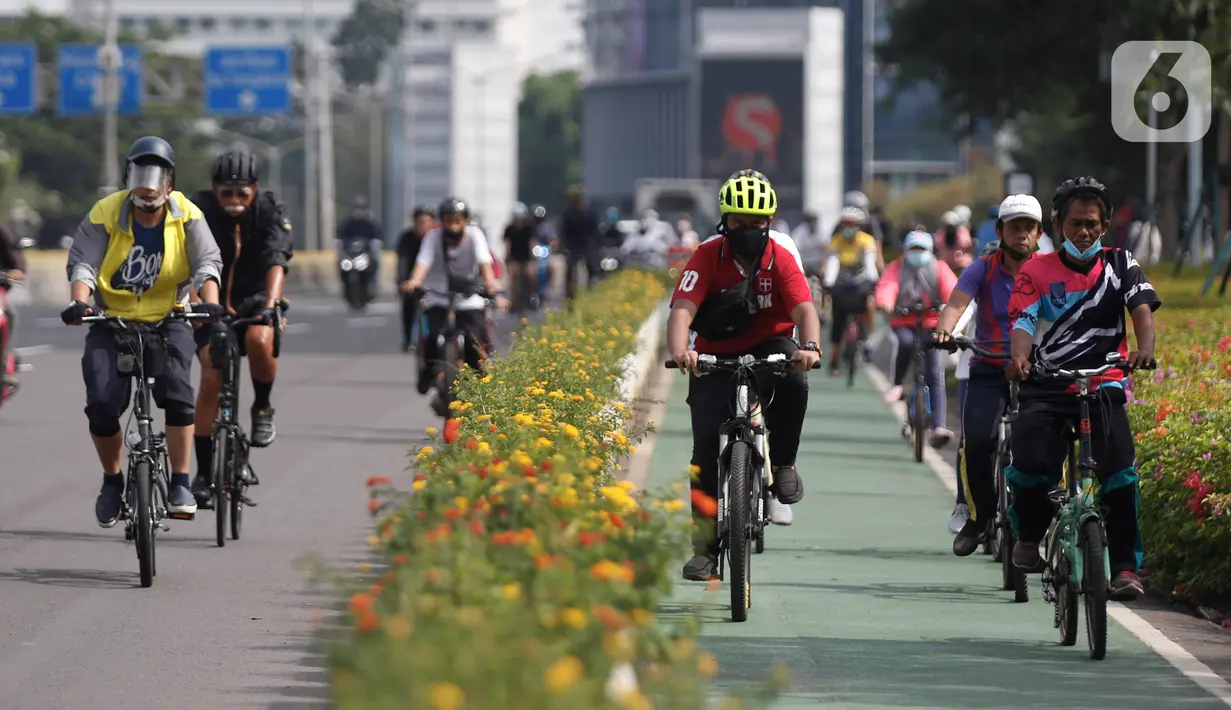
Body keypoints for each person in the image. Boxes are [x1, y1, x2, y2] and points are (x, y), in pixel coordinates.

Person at [1004, 176, 1160, 600]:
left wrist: (1144, 349)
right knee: (1031, 463)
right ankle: (1028, 536)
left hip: (1104, 384)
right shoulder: (1035, 270)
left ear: (1105, 224)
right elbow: (1022, 321)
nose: (1084, 232)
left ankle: (1126, 568)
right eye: (1075, 223)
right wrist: (1020, 357)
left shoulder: (1121, 264)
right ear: (1057, 224)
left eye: (1092, 223)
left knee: (1121, 477)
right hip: (1049, 385)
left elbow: (1141, 309)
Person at [668, 170, 822, 580]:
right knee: (703, 455)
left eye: (757, 224)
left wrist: (810, 347)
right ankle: (703, 551)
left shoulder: (781, 258)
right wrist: (681, 352)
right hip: (713, 356)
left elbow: (805, 311)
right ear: (724, 222)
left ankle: (784, 465)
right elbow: (682, 308)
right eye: (739, 223)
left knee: (794, 380)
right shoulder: (707, 255)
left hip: (770, 348)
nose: (749, 231)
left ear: (769, 223)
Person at [62, 136, 224, 525]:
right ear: (127, 178)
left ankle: (181, 481)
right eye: (139, 175)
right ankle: (112, 480)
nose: (147, 186)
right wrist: (80, 302)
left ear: (170, 182)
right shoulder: (106, 211)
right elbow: (83, 263)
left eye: (156, 177)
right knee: (102, 405)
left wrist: (208, 301)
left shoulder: (186, 213)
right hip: (111, 319)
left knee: (180, 397)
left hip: (169, 317)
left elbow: (206, 263)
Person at [932, 195, 1043, 554]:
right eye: (1015, 227)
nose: (1022, 234)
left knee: (1046, 445)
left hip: (1037, 372)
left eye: (1029, 227)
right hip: (988, 366)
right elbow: (956, 305)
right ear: (1001, 231)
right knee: (977, 443)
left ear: (1039, 233)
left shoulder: (1049, 269)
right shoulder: (982, 268)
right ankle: (979, 519)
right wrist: (944, 332)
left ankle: (1041, 519)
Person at [187, 147, 294, 506]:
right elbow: (182, 258)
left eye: (242, 193)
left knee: (260, 339)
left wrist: (271, 305)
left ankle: (262, 408)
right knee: (212, 380)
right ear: (214, 189)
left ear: (255, 189)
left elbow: (277, 260)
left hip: (254, 298)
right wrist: (197, 302)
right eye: (226, 193)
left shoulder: (268, 210)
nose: (234, 201)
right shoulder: (195, 211)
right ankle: (202, 474)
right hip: (209, 301)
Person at [403, 197, 506, 416]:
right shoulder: (432, 237)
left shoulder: (474, 236)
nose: (453, 226)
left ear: (466, 221)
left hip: (469, 296)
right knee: (432, 336)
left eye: (458, 221)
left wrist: (490, 282)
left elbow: (484, 263)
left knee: (474, 341)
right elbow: (423, 262)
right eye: (448, 221)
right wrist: (415, 282)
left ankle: (478, 380)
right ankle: (429, 372)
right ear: (441, 222)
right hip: (438, 295)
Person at [875, 230, 957, 447]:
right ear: (905, 250)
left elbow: (953, 290)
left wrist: (950, 305)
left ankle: (939, 425)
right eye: (913, 249)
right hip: (904, 321)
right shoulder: (897, 267)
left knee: (934, 372)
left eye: (921, 249)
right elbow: (887, 286)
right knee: (906, 343)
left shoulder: (939, 268)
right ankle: (898, 384)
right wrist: (886, 302)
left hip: (932, 323)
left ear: (930, 251)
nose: (917, 254)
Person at [821, 206, 878, 375]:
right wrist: (828, 282)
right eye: (846, 224)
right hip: (841, 281)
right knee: (837, 320)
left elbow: (870, 263)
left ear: (859, 225)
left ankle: (868, 342)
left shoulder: (866, 240)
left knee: (869, 307)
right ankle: (834, 360)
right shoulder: (836, 241)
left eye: (852, 224)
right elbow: (832, 263)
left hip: (861, 280)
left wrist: (873, 280)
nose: (849, 227)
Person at [397, 205, 436, 351]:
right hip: (413, 280)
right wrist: (402, 282)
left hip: (436, 281)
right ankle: (408, 339)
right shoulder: (406, 238)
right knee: (408, 303)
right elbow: (403, 262)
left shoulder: (437, 238)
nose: (423, 227)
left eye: (427, 222)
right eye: (420, 222)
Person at [558, 186, 600, 300]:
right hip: (573, 247)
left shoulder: (589, 214)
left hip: (587, 246)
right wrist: (563, 247)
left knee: (592, 270)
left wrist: (595, 248)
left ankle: (591, 294)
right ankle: (569, 296)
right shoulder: (568, 215)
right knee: (570, 271)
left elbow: (595, 232)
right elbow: (563, 233)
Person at [336, 195, 383, 296]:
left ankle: (373, 280)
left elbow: (376, 236)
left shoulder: (369, 223)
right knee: (340, 261)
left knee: (375, 257)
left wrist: (374, 242)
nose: (357, 211)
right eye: (355, 208)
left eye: (360, 208)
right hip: (351, 253)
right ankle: (345, 284)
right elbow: (340, 236)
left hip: (365, 252)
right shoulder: (347, 223)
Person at [0, 224, 27, 393]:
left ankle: (3, 364)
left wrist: (7, 275)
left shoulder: (3, 235)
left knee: (9, 313)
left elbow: (18, 270)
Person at [503, 202, 536, 311]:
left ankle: (533, 295)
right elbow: (508, 244)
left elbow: (532, 243)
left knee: (530, 274)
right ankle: (513, 299)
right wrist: (507, 258)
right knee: (514, 274)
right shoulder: (509, 229)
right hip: (514, 257)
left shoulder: (528, 228)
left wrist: (533, 258)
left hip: (526, 256)